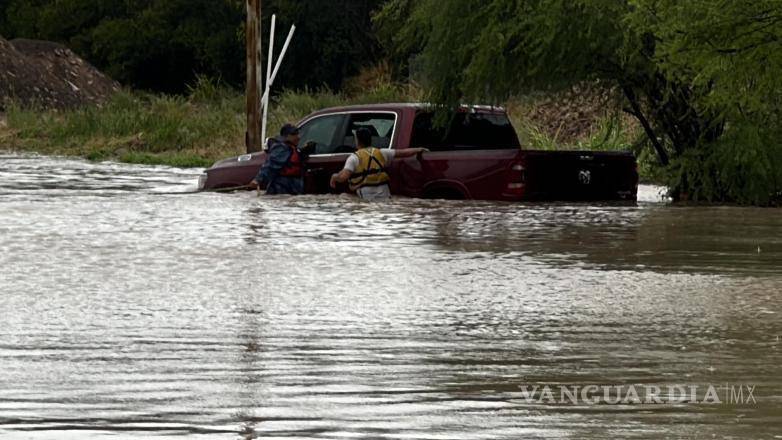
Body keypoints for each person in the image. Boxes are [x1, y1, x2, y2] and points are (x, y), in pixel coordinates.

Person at [330, 127, 427, 200]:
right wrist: (419, 149)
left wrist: (334, 176)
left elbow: (343, 177)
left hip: (366, 195)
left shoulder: (354, 157)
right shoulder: (382, 152)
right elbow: (403, 152)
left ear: (357, 141)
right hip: (385, 192)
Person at [249, 123, 314, 195]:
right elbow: (271, 165)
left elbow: (294, 159)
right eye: (294, 134)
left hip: (293, 186)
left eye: (298, 134)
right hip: (282, 186)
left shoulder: (292, 147)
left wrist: (305, 151)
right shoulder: (281, 148)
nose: (298, 137)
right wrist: (258, 179)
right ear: (287, 136)